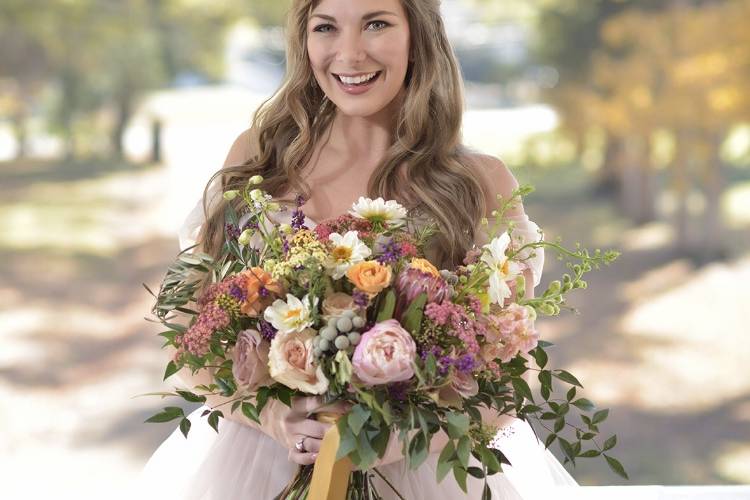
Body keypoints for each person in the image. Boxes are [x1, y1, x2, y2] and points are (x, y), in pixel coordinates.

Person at [136, 0, 579, 498]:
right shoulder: (257, 159)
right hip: (258, 465)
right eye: (326, 27)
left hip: (420, 471)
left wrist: (390, 438)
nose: (348, 54)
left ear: (420, 34)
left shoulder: (478, 183)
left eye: (376, 24)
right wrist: (273, 416)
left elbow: (507, 374)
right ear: (304, 39)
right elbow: (187, 330)